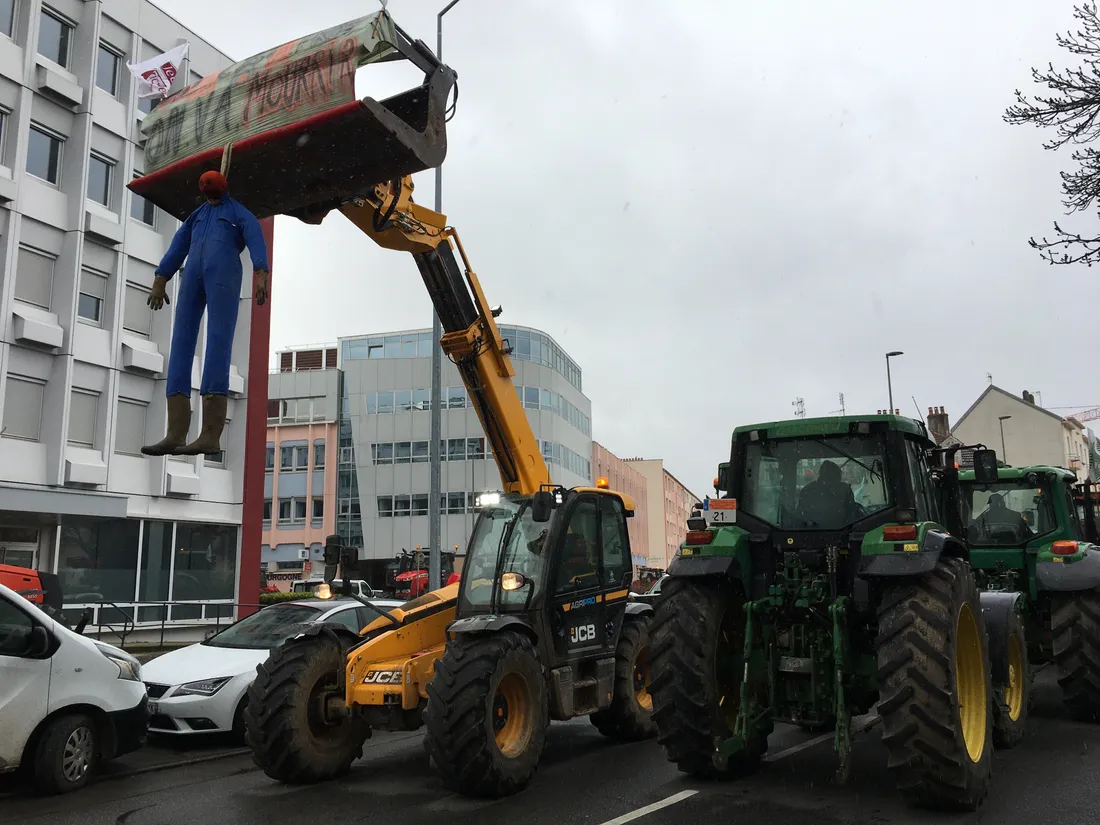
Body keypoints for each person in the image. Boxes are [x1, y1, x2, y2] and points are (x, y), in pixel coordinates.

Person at [141, 170, 270, 456]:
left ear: (222, 188)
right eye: (205, 191)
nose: (209, 195)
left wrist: (261, 270)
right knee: (180, 344)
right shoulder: (197, 216)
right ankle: (175, 431)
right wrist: (161, 278)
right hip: (192, 277)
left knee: (218, 343)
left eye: (212, 190)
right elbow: (178, 245)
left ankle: (210, 433)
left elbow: (254, 235)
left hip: (223, 274)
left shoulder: (238, 212)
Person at [797, 460, 858, 527]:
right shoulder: (809, 491)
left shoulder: (845, 490)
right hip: (813, 533)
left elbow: (852, 514)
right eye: (830, 477)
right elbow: (802, 518)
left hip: (842, 532)